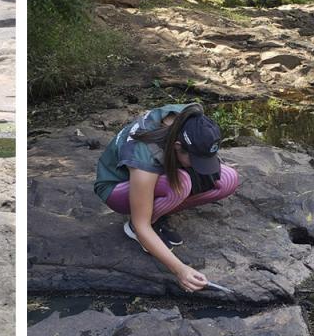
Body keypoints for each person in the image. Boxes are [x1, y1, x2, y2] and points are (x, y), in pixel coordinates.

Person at [94, 103, 240, 292]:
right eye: (196, 160)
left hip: (161, 169)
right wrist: (180, 269)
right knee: (181, 184)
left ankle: (160, 205)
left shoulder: (191, 118)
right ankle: (140, 223)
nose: (200, 165)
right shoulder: (144, 155)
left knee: (229, 179)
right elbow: (142, 226)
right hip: (118, 187)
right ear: (178, 147)